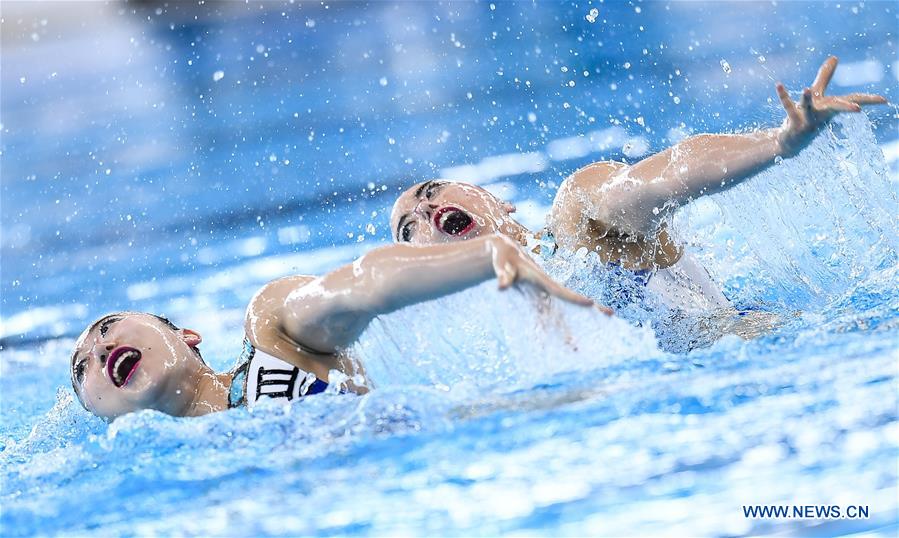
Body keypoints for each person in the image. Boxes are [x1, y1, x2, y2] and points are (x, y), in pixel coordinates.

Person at [390, 56, 887, 316]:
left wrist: (779, 145)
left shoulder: (573, 229)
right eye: (407, 230)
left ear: (499, 201)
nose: (426, 210)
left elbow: (655, 178)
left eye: (432, 190)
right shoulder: (492, 341)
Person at [70, 235, 595, 420]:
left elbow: (363, 284)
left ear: (187, 335)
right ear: (102, 415)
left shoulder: (272, 333)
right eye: (81, 369)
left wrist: (486, 255)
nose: (98, 350)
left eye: (109, 328)